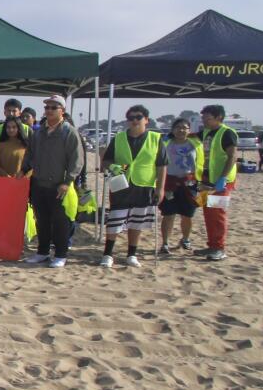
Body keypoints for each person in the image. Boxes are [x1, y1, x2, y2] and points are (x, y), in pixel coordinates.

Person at [100, 105, 166, 268]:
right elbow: (106, 160)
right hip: (121, 183)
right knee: (115, 219)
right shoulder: (119, 138)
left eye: (138, 117)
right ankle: (108, 254)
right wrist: (115, 167)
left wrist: (160, 188)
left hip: (144, 184)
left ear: (146, 120)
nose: (134, 121)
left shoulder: (156, 139)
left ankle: (132, 254)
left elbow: (162, 166)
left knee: (137, 220)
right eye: (131, 118)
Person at [21, 95, 83, 268]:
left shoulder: (68, 132)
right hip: (39, 184)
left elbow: (76, 160)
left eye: (53, 107)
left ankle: (61, 254)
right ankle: (42, 252)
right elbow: (30, 154)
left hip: (59, 186)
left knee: (60, 222)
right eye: (47, 107)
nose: (49, 110)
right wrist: (23, 170)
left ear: (62, 111)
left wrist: (67, 180)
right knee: (42, 220)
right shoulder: (39, 132)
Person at [197, 104, 237, 261]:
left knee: (218, 214)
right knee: (208, 213)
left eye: (207, 118)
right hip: (206, 180)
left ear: (218, 117)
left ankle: (219, 248)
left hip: (221, 182)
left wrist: (223, 178)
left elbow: (232, 156)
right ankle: (212, 245)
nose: (204, 121)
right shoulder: (207, 132)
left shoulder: (227, 133)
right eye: (203, 118)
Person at [158, 118, 203, 255]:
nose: (181, 130)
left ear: (189, 130)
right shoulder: (166, 143)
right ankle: (165, 243)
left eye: (184, 127)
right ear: (173, 129)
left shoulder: (196, 144)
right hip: (169, 183)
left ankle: (185, 239)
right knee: (168, 214)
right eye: (178, 127)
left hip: (190, 184)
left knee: (188, 215)